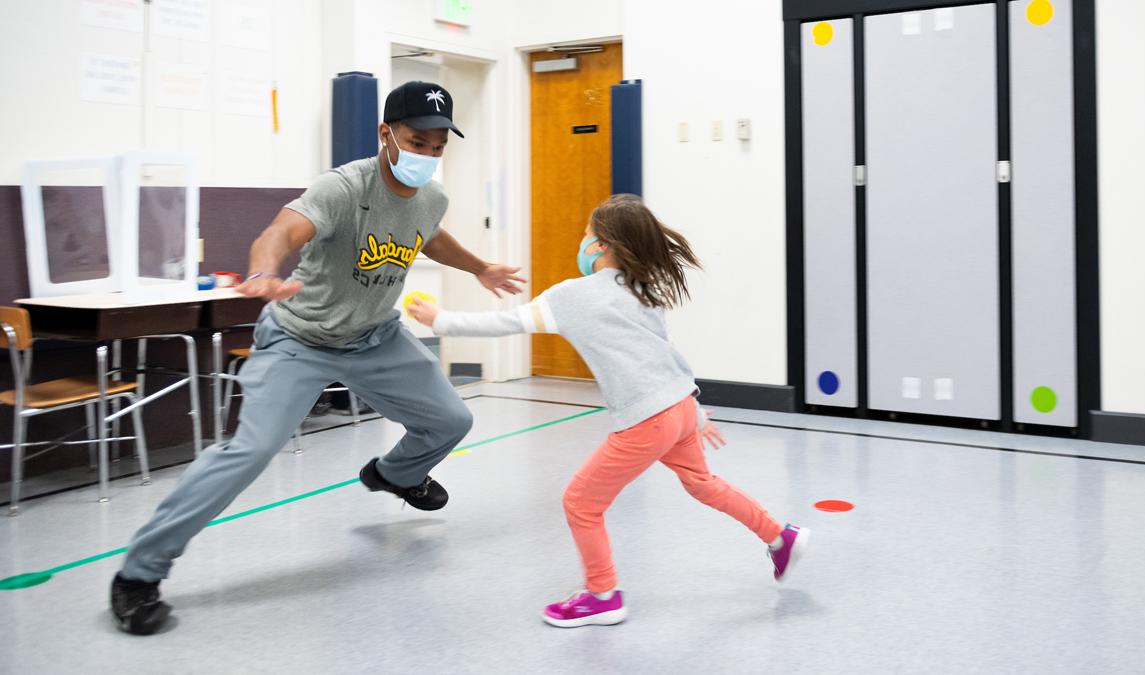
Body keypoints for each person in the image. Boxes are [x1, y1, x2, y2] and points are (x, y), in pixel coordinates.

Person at [109, 81, 526, 635]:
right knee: (251, 451)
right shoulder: (341, 188)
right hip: (300, 338)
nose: (426, 155)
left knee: (451, 419)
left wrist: (478, 267)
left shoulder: (431, 196)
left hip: (374, 337)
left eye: (436, 146)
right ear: (386, 134)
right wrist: (263, 273)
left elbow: (428, 237)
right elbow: (280, 230)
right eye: (416, 141)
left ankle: (393, 474)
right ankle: (138, 574)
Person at [408, 194, 810, 628]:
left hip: (647, 418)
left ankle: (602, 594)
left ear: (600, 245)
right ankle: (778, 535)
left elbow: (506, 323)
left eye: (586, 234)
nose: (582, 242)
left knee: (580, 502)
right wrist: (693, 409)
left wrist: (439, 320)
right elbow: (665, 353)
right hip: (676, 406)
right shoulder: (644, 290)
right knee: (702, 483)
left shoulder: (573, 297)